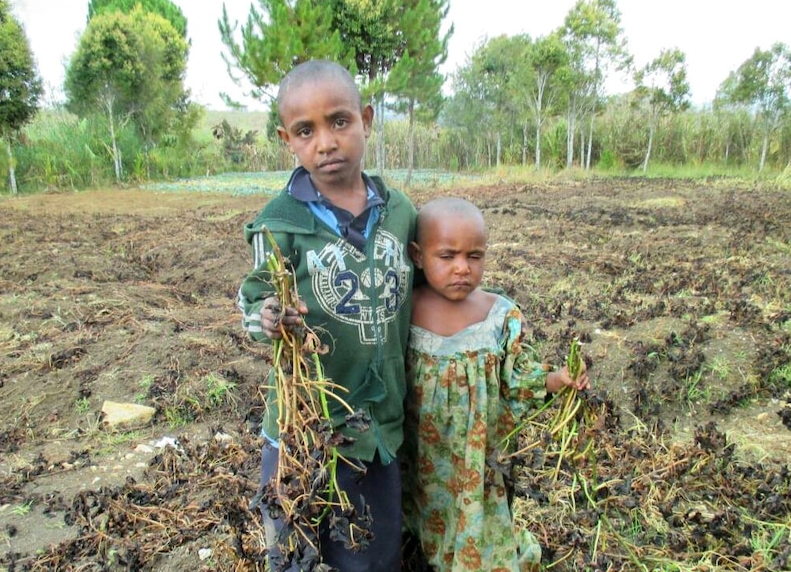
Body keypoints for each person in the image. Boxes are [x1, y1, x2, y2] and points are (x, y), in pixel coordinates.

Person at [236, 59, 417, 572]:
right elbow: (252, 299)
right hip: (302, 426)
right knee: (293, 550)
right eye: (305, 130)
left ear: (366, 118)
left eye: (340, 121)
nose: (326, 141)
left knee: (372, 554)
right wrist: (268, 317)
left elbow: (427, 285)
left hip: (376, 429)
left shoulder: (400, 213)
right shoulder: (278, 226)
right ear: (286, 139)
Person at [401, 197, 590, 572]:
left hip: (476, 460)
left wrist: (557, 379)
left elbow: (517, 377)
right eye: (448, 256)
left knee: (477, 527)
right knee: (424, 518)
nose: (462, 268)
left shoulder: (498, 316)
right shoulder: (403, 310)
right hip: (420, 456)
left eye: (475, 256)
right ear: (418, 256)